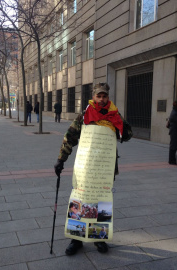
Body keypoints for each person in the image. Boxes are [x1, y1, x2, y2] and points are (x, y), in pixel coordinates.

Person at [54, 82, 132, 256]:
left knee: (102, 201)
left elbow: (127, 135)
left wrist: (121, 125)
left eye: (104, 96)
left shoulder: (115, 114)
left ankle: (99, 237)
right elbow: (70, 137)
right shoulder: (85, 115)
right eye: (99, 96)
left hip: (105, 168)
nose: (102, 99)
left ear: (108, 97)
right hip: (86, 167)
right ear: (94, 97)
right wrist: (61, 159)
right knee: (80, 199)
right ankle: (77, 238)